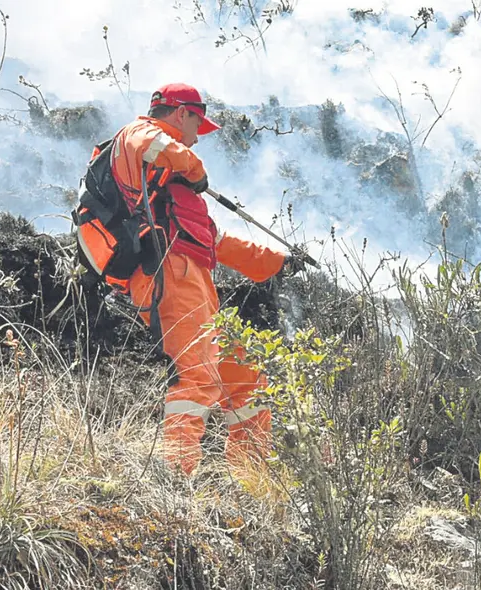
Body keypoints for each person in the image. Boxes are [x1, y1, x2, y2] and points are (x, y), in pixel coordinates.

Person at [106, 82, 306, 476]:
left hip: (193, 282)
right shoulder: (141, 135)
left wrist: (277, 262)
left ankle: (252, 480)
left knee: (246, 376)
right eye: (199, 125)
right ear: (182, 113)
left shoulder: (172, 185)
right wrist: (195, 170)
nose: (199, 138)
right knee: (197, 374)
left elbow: (216, 242)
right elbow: (151, 142)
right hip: (167, 274)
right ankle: (176, 478)